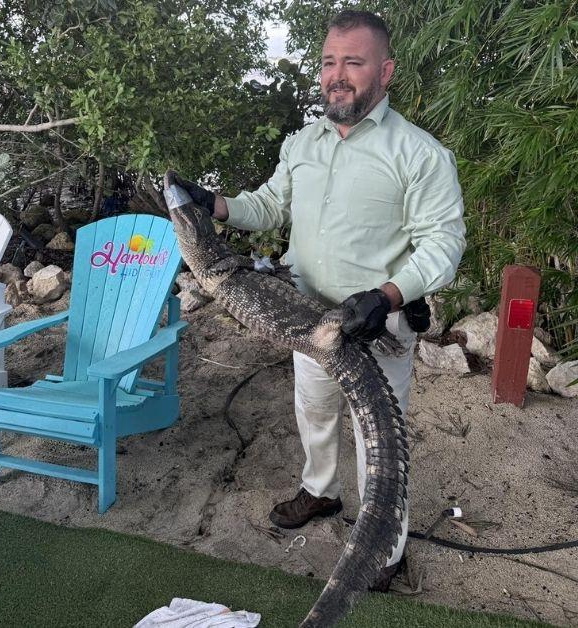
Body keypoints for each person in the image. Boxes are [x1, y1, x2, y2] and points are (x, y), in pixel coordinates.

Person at [172, 10, 465, 590]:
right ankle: (320, 491)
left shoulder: (419, 153)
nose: (337, 75)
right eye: (329, 62)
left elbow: (444, 243)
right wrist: (217, 204)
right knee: (315, 410)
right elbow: (271, 205)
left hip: (375, 325)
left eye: (352, 62)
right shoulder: (303, 142)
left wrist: (387, 295)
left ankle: (388, 547)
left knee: (382, 440)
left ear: (385, 71)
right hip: (308, 319)